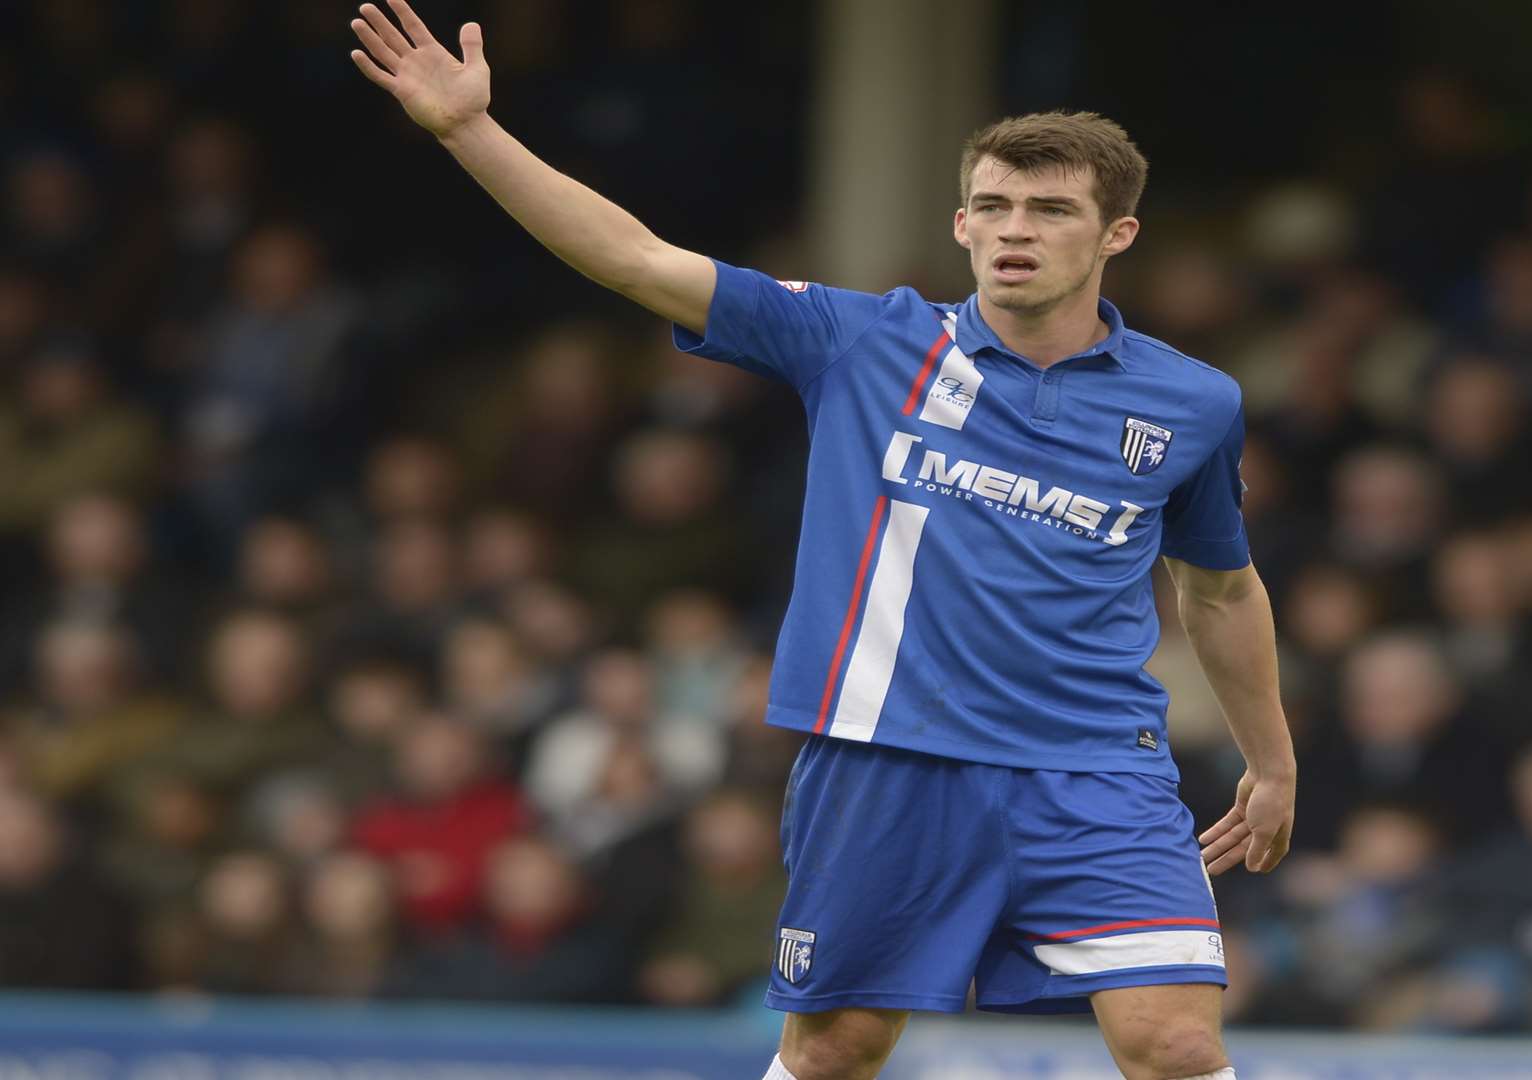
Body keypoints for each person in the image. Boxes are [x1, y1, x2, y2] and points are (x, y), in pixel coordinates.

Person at [349, 5, 1297, 1078]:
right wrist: (471, 131)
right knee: (838, 1049)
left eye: (1049, 209)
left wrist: (1271, 762)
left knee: (1174, 1043)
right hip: (887, 757)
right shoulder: (864, 340)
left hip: (1094, 769)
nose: (1014, 229)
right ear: (961, 226)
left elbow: (1220, 590)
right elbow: (637, 260)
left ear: (1115, 234)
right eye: (992, 206)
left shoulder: (1193, 403)